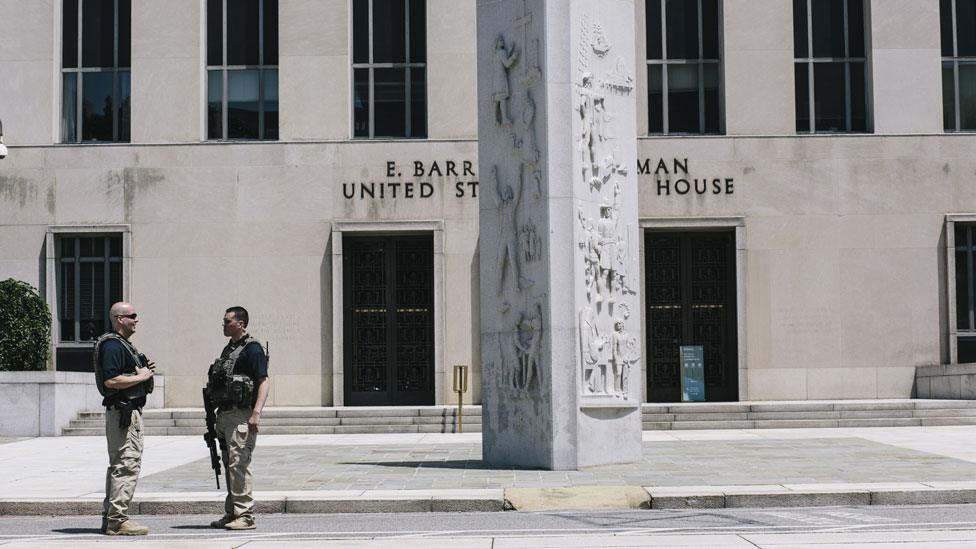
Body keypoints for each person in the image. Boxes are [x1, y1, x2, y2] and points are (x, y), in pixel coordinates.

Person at [94, 302, 155, 536]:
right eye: (132, 316)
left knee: (120, 465)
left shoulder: (122, 345)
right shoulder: (112, 345)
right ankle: (117, 520)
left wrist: (143, 370)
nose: (136, 320)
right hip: (124, 413)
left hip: (125, 411)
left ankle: (111, 517)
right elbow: (111, 381)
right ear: (120, 319)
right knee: (127, 464)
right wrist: (141, 377)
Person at [207, 306, 270, 530]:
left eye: (227, 322)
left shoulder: (252, 349)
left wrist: (256, 414)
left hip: (241, 415)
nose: (223, 325)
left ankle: (246, 515)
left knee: (239, 464)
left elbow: (263, 381)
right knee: (229, 464)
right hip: (224, 415)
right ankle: (232, 512)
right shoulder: (229, 349)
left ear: (241, 323)